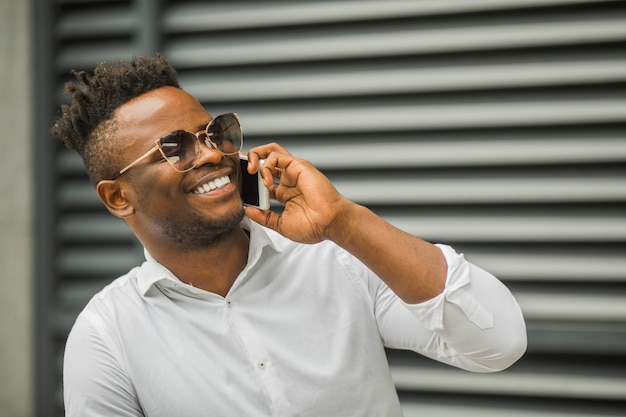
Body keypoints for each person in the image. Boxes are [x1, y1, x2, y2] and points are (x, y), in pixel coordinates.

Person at [52, 54, 526, 417]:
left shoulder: (335, 260)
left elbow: (498, 343)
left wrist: (342, 220)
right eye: (175, 147)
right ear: (117, 198)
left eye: (214, 133)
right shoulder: (106, 336)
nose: (213, 154)